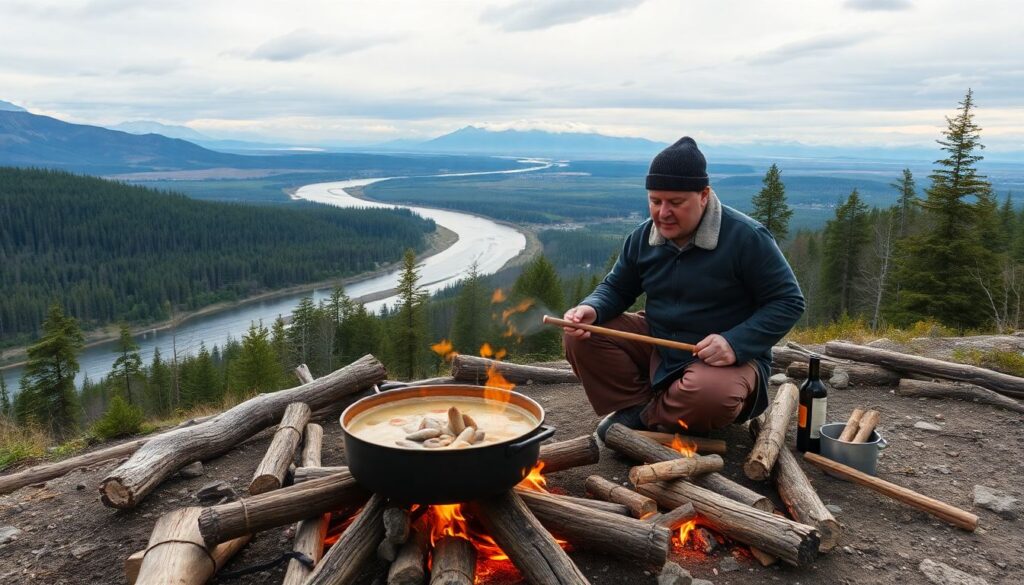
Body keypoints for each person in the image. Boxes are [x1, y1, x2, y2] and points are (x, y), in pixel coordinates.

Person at [561, 136, 805, 440]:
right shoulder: (643, 238)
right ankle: (639, 406)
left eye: (676, 202)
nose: (663, 213)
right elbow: (616, 288)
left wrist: (734, 342)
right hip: (660, 344)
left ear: (703, 195)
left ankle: (646, 418)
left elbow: (788, 301)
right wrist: (592, 307)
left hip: (725, 361)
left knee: (712, 394)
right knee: (583, 335)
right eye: (655, 201)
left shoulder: (747, 238)